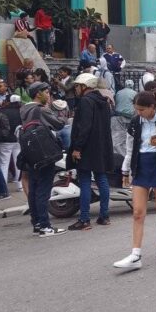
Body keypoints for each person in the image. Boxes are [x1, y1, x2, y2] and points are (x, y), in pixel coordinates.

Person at [115, 91, 156, 270]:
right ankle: (136, 255)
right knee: (137, 212)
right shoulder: (135, 123)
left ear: (152, 107)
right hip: (140, 166)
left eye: (142, 109)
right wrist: (125, 170)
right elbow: (130, 148)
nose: (138, 113)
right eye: (136, 109)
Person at [20, 81, 67, 236]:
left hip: (30, 153)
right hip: (43, 153)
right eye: (46, 92)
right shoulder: (41, 110)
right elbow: (59, 124)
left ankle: (37, 224)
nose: (48, 95)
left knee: (33, 189)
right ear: (38, 93)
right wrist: (61, 111)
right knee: (43, 190)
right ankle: (45, 226)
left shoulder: (25, 109)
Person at [67, 73, 114, 230]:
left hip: (87, 148)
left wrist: (77, 148)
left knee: (85, 181)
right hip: (101, 147)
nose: (76, 89)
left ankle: (85, 219)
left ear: (84, 86)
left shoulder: (86, 102)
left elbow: (84, 127)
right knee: (101, 179)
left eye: (77, 86)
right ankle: (104, 216)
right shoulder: (104, 101)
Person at [0, 95, 23, 192]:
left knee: (4, 163)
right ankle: (19, 184)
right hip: (18, 139)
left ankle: (3, 187)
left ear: (8, 101)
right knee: (18, 162)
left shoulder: (2, 111)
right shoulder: (21, 111)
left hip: (4, 140)